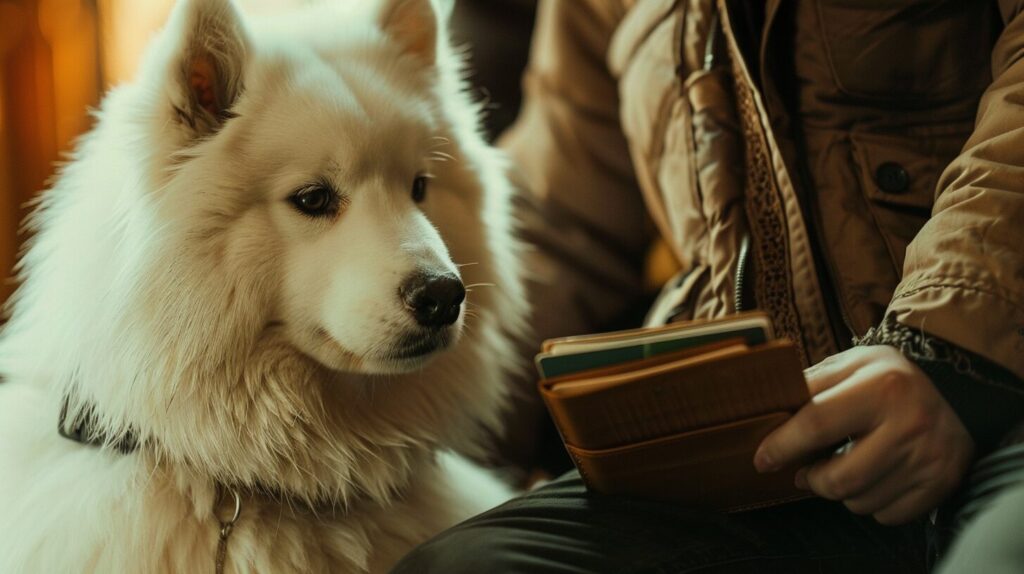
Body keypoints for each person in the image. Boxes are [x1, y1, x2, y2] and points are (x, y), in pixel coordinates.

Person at [393, 1, 1024, 572]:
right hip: (760, 456)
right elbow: (562, 233)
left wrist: (947, 358)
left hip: (999, 394)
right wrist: (405, 436)